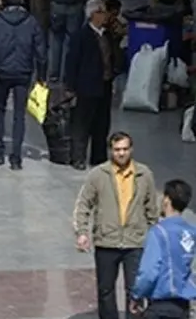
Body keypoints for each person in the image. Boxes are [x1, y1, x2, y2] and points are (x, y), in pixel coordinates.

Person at [73, 132, 160, 319]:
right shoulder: (98, 175)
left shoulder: (144, 175)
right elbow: (84, 204)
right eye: (117, 149)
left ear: (132, 149)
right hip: (106, 241)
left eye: (125, 149)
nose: (121, 153)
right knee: (105, 291)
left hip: (135, 243)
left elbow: (152, 209)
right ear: (111, 150)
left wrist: (155, 238)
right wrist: (82, 232)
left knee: (135, 291)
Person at [0, 0, 47, 170]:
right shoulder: (31, 22)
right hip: (23, 72)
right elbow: (41, 52)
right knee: (19, 115)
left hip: (2, 72)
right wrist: (41, 75)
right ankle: (16, 158)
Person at [129, 179, 196, 319]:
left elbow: (148, 272)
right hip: (183, 306)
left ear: (167, 200)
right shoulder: (191, 232)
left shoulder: (158, 232)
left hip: (159, 305)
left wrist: (136, 295)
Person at [66, 0, 118, 169]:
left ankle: (98, 157)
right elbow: (72, 62)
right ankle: (78, 157)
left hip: (104, 85)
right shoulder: (81, 36)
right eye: (102, 11)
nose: (106, 15)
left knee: (102, 124)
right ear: (94, 14)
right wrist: (71, 86)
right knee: (82, 123)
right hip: (86, 86)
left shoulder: (107, 35)